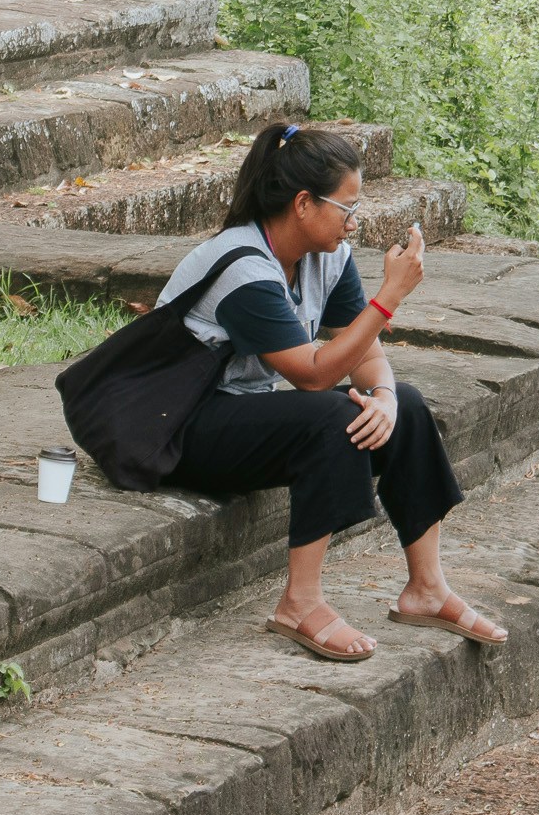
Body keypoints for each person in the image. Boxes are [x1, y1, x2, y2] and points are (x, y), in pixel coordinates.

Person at [156, 120, 508, 662]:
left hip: (245, 417)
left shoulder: (327, 256)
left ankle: (426, 588)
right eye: (346, 209)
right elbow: (314, 375)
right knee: (330, 413)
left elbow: (363, 352)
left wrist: (386, 396)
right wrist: (388, 298)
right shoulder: (242, 266)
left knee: (406, 404)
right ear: (303, 204)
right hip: (180, 428)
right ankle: (299, 602)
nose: (353, 223)